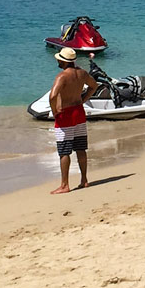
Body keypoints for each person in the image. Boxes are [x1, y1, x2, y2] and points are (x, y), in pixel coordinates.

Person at [48, 47, 98, 193]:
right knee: (80, 147)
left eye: (58, 59)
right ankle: (84, 180)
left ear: (62, 61)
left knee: (64, 151)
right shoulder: (81, 73)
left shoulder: (62, 76)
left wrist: (55, 111)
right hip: (78, 111)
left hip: (66, 115)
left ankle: (64, 185)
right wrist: (83, 100)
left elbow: (52, 96)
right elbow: (94, 86)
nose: (57, 60)